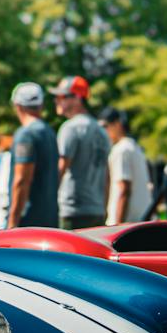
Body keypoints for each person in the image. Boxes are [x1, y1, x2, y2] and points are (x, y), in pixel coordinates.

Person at [52, 75, 109, 230]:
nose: (56, 100)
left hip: (73, 211)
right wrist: (104, 208)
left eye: (62, 96)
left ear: (77, 98)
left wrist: (46, 201)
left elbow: (61, 168)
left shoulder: (70, 127)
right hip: (97, 211)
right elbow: (107, 176)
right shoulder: (101, 131)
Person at [5, 82, 59, 229]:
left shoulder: (25, 135)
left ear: (17, 106)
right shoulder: (49, 132)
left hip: (28, 223)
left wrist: (12, 222)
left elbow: (22, 180)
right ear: (41, 106)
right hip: (50, 220)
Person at [100, 108, 152, 224]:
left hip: (128, 225)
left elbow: (124, 190)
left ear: (118, 124)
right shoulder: (135, 147)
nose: (103, 131)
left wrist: (118, 226)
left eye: (105, 126)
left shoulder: (121, 150)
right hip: (141, 222)